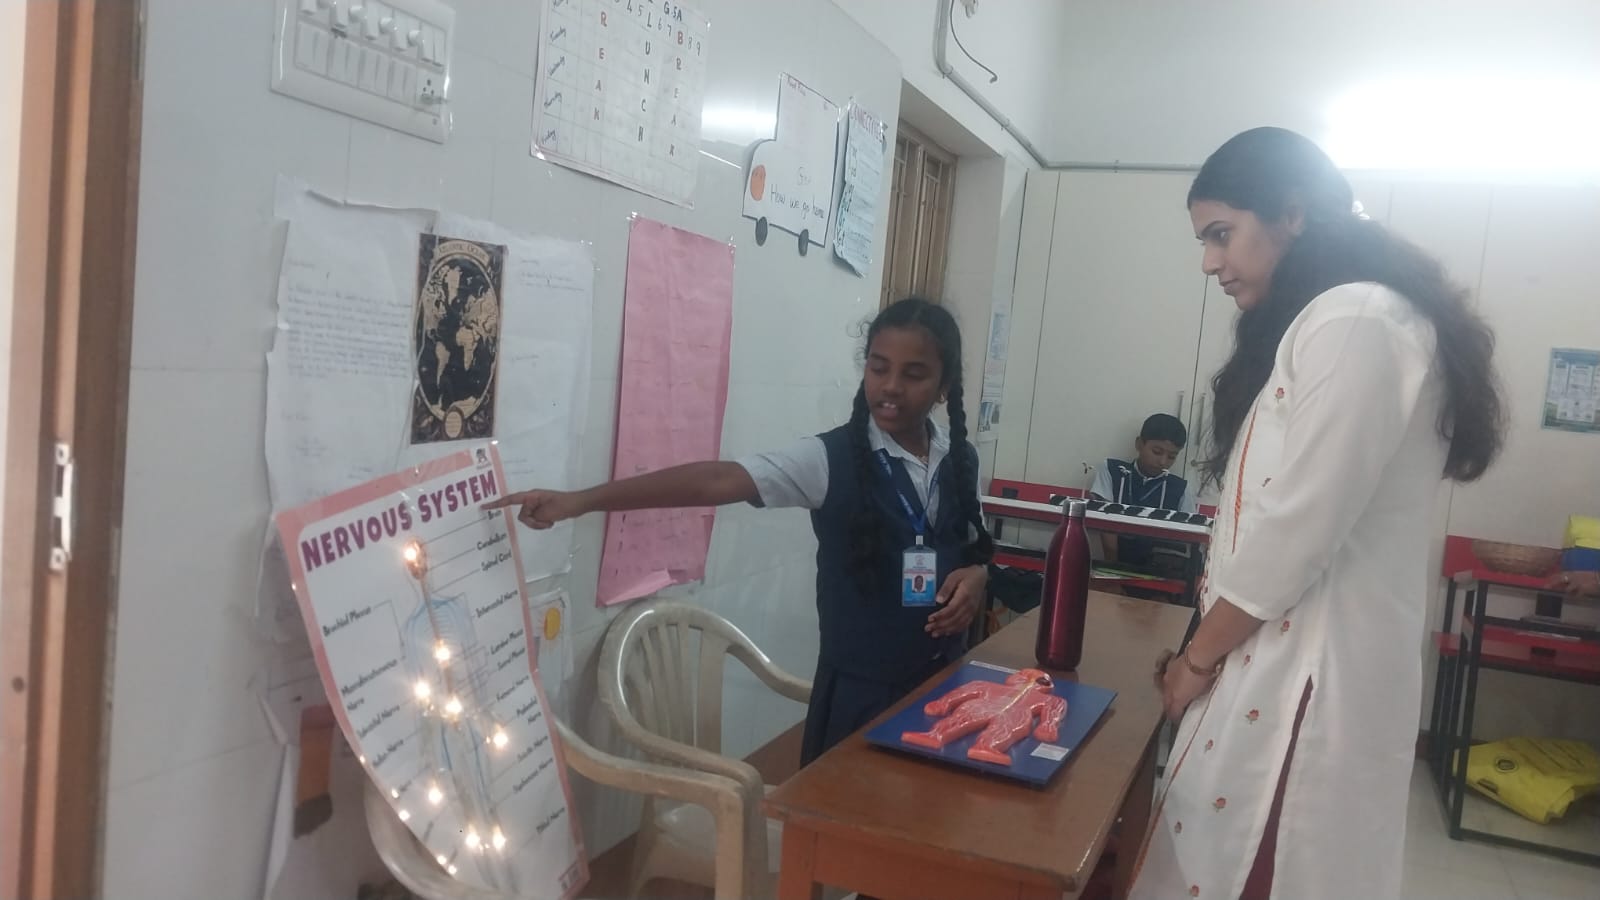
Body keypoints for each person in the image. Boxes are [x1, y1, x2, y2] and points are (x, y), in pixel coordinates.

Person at [1131, 128, 1504, 900]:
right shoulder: (1339, 318)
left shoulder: (1357, 320)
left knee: (1263, 869)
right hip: (1277, 657)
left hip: (1308, 675)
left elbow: (1295, 531)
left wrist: (1195, 663)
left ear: (1292, 214)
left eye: (1222, 234)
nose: (1210, 262)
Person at [487, 298, 993, 765]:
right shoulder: (829, 460)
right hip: (860, 698)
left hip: (944, 684)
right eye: (879, 368)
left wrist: (977, 575)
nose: (891, 386)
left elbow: (972, 549)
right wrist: (579, 502)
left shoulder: (959, 458)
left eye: (914, 374)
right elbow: (715, 480)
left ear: (944, 386)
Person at [1089, 413, 1199, 579]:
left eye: (1172, 456)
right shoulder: (1111, 470)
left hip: (1160, 574)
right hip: (1110, 566)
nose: (1163, 462)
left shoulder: (1180, 488)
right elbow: (1106, 526)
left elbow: (1187, 539)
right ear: (1139, 444)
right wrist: (1113, 575)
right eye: (1157, 451)